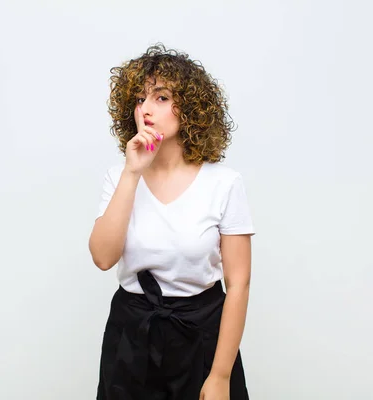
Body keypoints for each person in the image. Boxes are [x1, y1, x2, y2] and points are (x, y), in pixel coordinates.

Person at [89, 43, 255, 400]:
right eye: (139, 99)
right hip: (131, 338)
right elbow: (103, 258)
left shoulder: (224, 183)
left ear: (191, 107)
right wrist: (133, 173)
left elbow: (238, 284)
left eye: (161, 98)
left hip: (202, 340)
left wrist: (221, 375)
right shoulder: (119, 176)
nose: (146, 108)